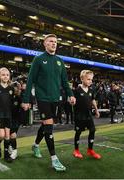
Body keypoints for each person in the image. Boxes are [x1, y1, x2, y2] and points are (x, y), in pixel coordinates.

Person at [22, 34, 76, 171]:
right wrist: (26, 99)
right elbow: (30, 80)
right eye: (51, 41)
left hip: (55, 99)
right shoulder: (38, 59)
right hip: (42, 98)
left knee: (46, 124)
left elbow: (64, 81)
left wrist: (70, 94)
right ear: (45, 44)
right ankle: (54, 159)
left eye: (55, 42)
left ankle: (35, 145)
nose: (54, 43)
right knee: (49, 126)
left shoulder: (59, 61)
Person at [73, 70, 101, 159]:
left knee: (92, 130)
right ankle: (76, 150)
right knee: (78, 132)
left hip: (88, 114)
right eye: (88, 79)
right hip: (79, 115)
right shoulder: (76, 90)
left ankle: (90, 150)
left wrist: (96, 110)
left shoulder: (91, 90)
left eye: (91, 79)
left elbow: (93, 100)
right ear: (82, 78)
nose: (90, 81)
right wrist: (72, 102)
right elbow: (72, 101)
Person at [0, 67, 14, 162]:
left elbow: (12, 102)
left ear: (9, 77)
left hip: (8, 115)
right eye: (3, 75)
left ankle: (6, 155)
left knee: (7, 136)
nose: (5, 76)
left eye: (7, 75)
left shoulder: (11, 89)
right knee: (1, 135)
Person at [9, 83, 22, 160]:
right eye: (14, 87)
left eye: (17, 87)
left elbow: (23, 105)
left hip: (16, 119)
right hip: (8, 118)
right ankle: (11, 147)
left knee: (13, 134)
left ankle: (15, 151)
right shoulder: (8, 96)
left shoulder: (19, 97)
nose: (15, 89)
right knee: (9, 135)